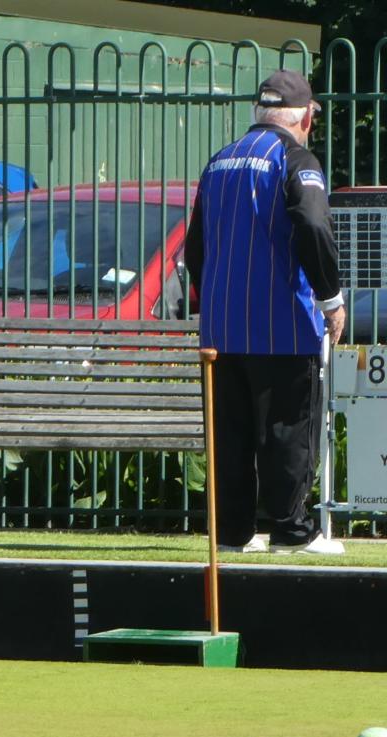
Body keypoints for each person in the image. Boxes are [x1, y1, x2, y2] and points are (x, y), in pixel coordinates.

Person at [184, 69, 346, 556]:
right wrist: (331, 298)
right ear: (305, 118)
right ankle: (292, 531)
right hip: (281, 325)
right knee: (288, 427)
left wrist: (214, 298)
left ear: (259, 112)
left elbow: (195, 248)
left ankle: (233, 534)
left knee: (230, 435)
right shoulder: (295, 160)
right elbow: (313, 224)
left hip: (221, 328)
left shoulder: (219, 162)